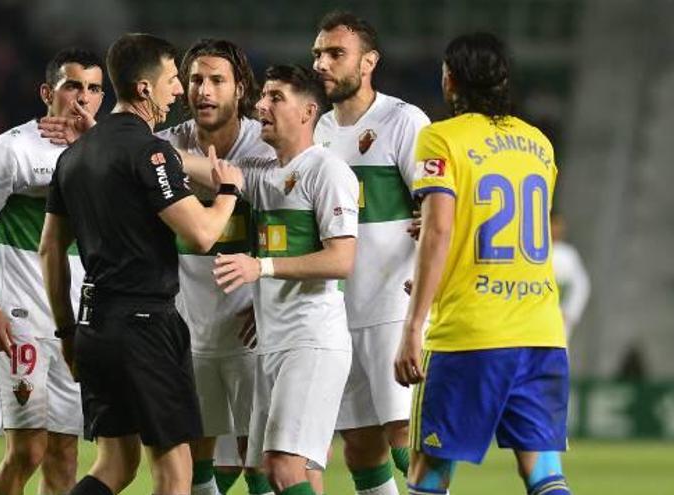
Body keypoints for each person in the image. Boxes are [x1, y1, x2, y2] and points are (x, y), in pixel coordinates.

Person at [37, 33, 244, 495]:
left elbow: (50, 250)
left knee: (115, 464)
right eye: (173, 80)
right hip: (145, 326)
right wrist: (228, 191)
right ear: (146, 89)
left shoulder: (73, 157)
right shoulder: (149, 152)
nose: (179, 91)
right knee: (175, 472)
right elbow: (202, 232)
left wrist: (67, 332)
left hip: (94, 326)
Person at [395, 33, 571, 495]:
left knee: (428, 472)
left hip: (470, 334)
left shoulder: (440, 138)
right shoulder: (540, 144)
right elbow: (498, 228)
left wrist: (413, 327)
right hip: (541, 332)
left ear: (450, 79)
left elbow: (440, 231)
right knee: (544, 474)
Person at [0, 48, 104, 495]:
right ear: (46, 92)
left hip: (74, 325)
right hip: (20, 322)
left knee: (66, 455)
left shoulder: (103, 152)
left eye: (94, 88)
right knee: (27, 452)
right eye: (72, 85)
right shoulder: (11, 150)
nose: (83, 98)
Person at [210, 64, 359, 495]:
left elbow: (341, 259)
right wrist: (126, 141)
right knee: (261, 472)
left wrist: (263, 269)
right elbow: (204, 169)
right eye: (262, 97)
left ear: (308, 111)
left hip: (311, 342)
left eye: (276, 97)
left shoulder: (326, 170)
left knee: (282, 467)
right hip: (274, 342)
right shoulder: (263, 174)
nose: (261, 105)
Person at [311, 11, 430, 492]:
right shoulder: (315, 130)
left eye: (336, 53)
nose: (323, 63)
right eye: (318, 53)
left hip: (389, 306)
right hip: (335, 309)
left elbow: (437, 212)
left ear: (369, 62)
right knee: (358, 443)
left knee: (404, 433)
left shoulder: (403, 121)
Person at [156, 38, 277, 495]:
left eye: (216, 81)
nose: (204, 90)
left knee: (260, 460)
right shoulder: (166, 143)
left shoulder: (264, 144)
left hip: (251, 326)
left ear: (240, 88)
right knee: (194, 454)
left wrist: (268, 301)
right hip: (187, 328)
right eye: (195, 80)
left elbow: (292, 221)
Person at [551, 213, 590, 340]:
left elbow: (581, 285)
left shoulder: (568, 254)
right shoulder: (534, 253)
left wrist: (569, 312)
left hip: (560, 315)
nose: (556, 229)